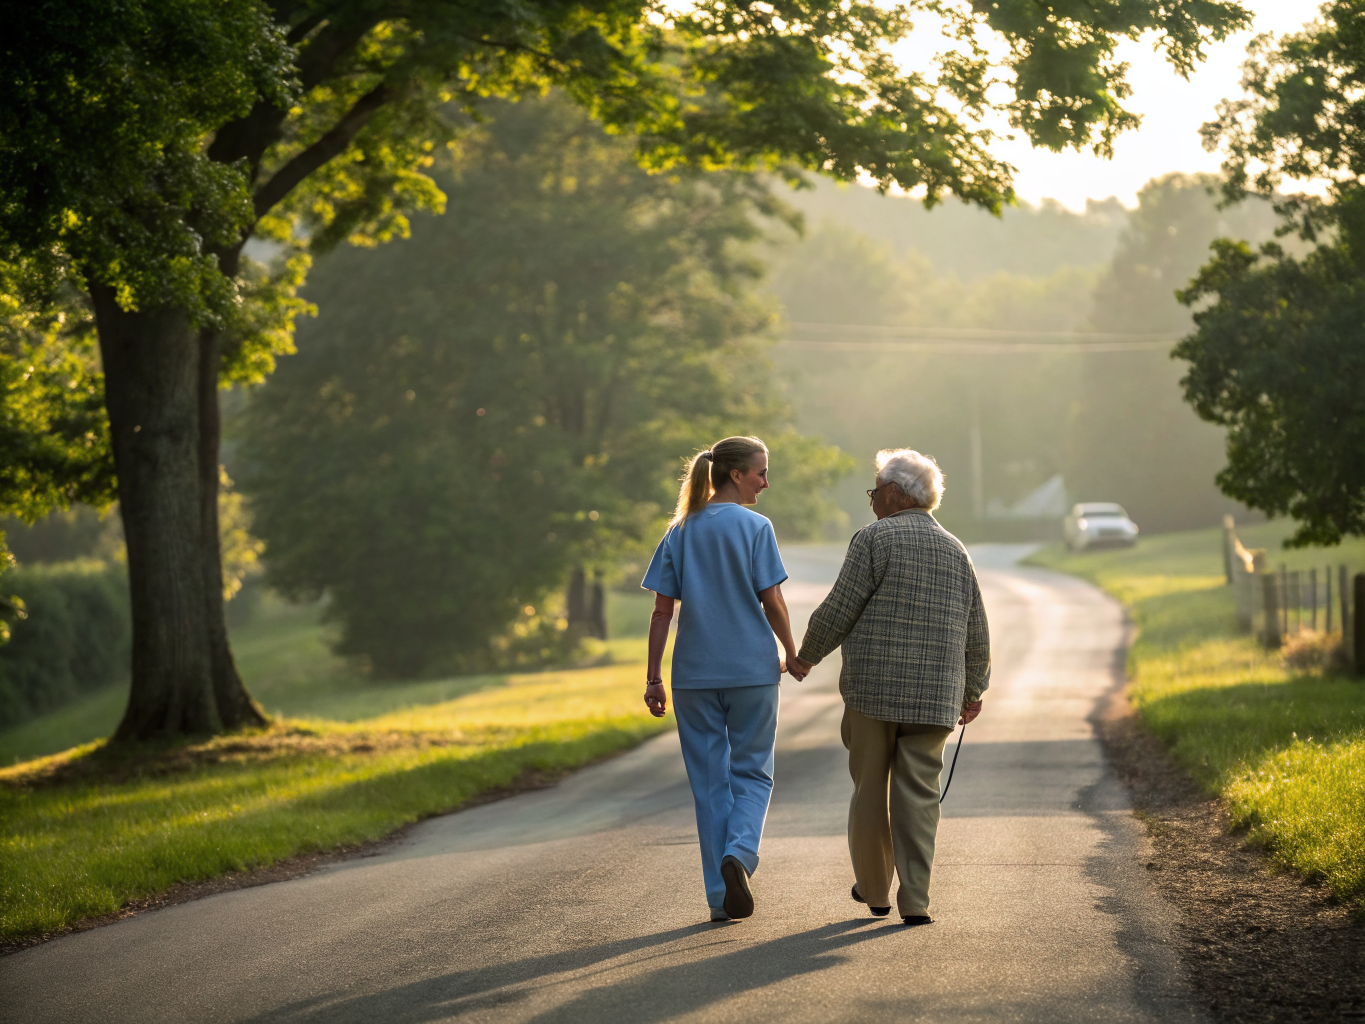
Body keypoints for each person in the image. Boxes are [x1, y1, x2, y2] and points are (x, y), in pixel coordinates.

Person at [791, 448, 990, 927]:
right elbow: (977, 629)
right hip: (935, 695)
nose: (872, 500)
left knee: (869, 790)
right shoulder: (956, 550)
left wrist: (806, 655)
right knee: (919, 797)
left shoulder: (873, 540)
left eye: (875, 491)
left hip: (871, 693)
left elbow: (840, 608)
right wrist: (974, 689)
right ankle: (915, 900)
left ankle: (876, 894)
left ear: (896, 494)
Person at [641, 435, 805, 922]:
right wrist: (792, 653)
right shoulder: (756, 527)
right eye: (760, 471)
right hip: (752, 672)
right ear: (736, 474)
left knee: (710, 785)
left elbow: (660, 613)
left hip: (694, 675)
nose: (765, 481)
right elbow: (771, 600)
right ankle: (739, 855)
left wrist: (653, 679)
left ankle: (719, 897)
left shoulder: (679, 532)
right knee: (753, 772)